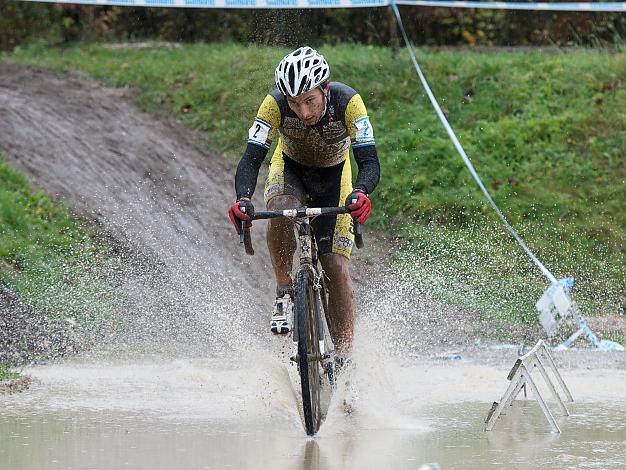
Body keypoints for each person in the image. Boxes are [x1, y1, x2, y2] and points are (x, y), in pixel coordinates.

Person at [228, 46, 380, 357]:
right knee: (282, 206)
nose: (304, 112)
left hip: (335, 176)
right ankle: (284, 291)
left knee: (335, 265)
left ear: (325, 88)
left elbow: (370, 161)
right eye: (295, 104)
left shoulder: (348, 102)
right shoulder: (274, 105)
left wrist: (361, 192)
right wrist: (242, 199)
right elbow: (251, 158)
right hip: (291, 168)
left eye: (309, 100)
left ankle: (345, 360)